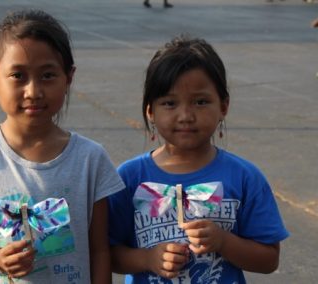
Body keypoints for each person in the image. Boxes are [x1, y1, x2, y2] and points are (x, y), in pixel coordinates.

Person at [0, 9, 125, 284]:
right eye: (18, 76)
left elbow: (99, 251)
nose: (33, 91)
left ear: (68, 77)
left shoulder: (90, 159)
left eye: (47, 75)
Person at [108, 35, 289, 283]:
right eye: (170, 103)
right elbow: (107, 253)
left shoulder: (245, 177)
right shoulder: (129, 177)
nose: (186, 115)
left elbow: (269, 259)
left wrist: (224, 241)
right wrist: (148, 259)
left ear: (223, 105)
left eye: (201, 102)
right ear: (150, 110)